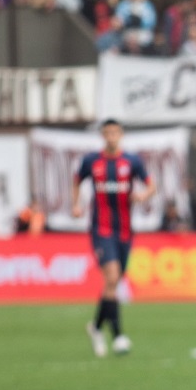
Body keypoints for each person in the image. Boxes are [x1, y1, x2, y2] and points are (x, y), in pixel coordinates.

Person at [72, 119, 156, 357]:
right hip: (101, 229)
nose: (111, 137)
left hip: (125, 231)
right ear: (102, 135)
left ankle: (96, 327)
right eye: (107, 133)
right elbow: (77, 180)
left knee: (113, 282)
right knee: (111, 276)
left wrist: (142, 195)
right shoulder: (92, 161)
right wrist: (75, 205)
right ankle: (118, 335)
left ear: (120, 134)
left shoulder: (131, 161)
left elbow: (151, 186)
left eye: (114, 132)